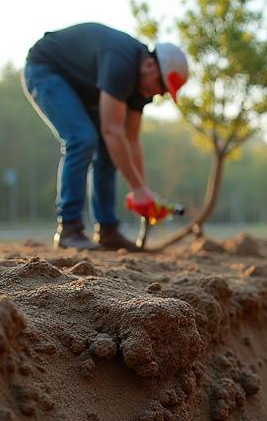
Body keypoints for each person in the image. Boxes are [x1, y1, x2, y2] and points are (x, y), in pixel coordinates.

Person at [22, 23, 189, 251]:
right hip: (46, 69)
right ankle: (69, 228)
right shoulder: (121, 63)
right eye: (161, 85)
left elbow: (131, 140)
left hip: (81, 86)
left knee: (109, 151)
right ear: (150, 65)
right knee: (82, 138)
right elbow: (112, 130)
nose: (158, 93)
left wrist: (143, 191)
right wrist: (138, 189)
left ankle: (108, 231)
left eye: (164, 92)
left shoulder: (142, 86)